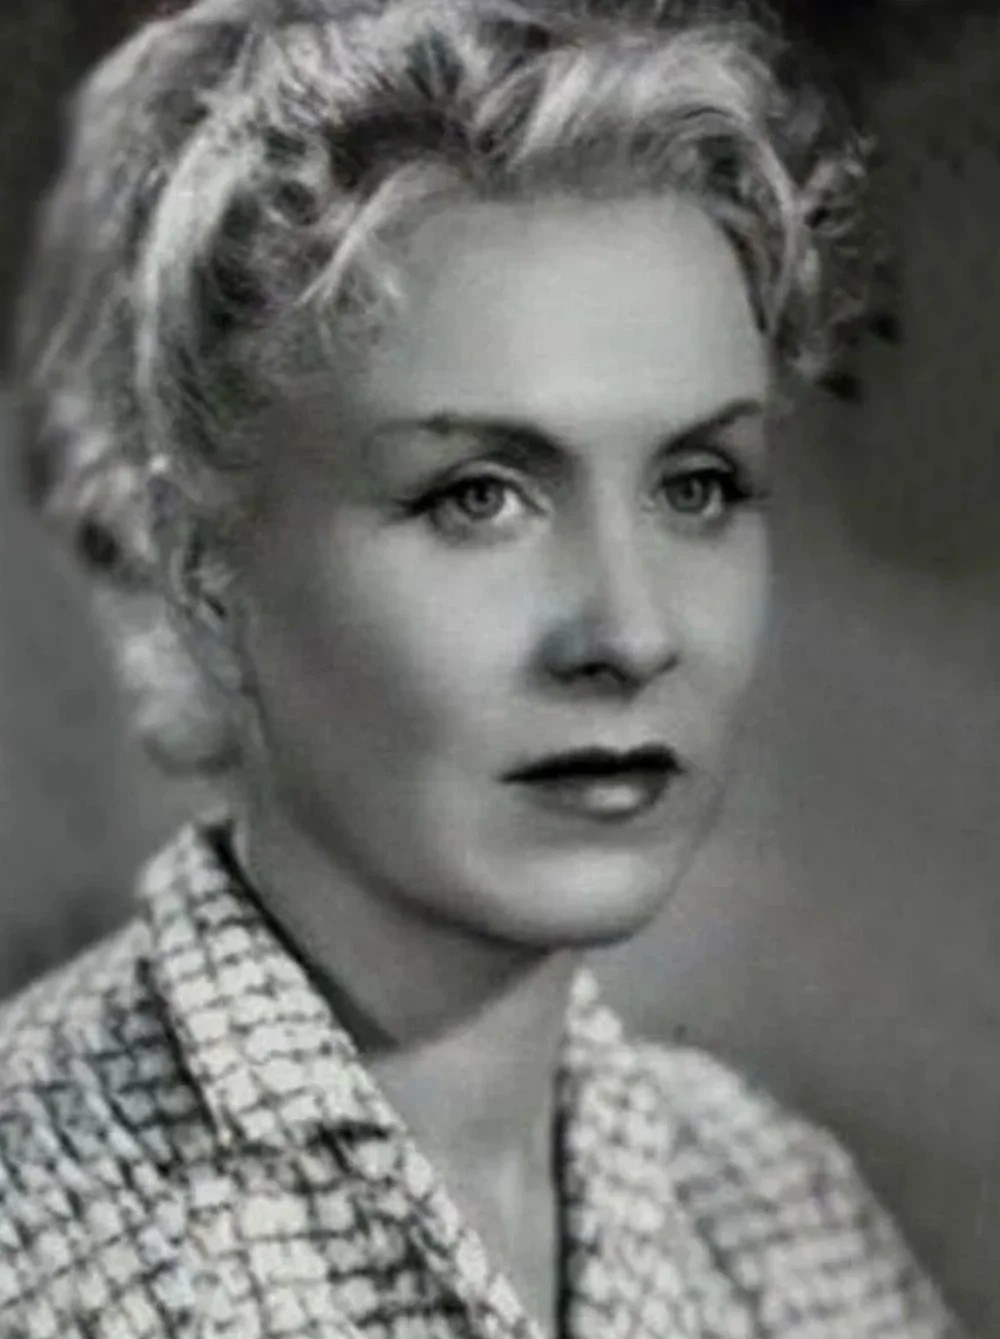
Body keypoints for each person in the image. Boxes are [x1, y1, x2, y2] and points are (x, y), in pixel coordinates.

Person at [0, 0, 964, 1335]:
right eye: (479, 496)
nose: (630, 631)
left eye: (696, 484)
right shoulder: (33, 1228)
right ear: (204, 571)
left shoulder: (787, 1218)